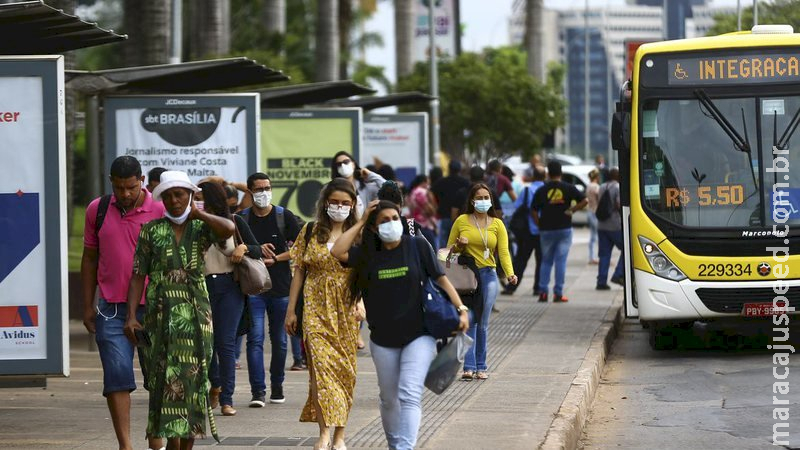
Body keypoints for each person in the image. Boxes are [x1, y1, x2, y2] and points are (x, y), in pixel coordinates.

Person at [331, 200, 470, 450]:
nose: (391, 224)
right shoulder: (367, 254)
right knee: (388, 399)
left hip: (419, 334)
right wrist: (361, 221)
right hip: (383, 339)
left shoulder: (416, 245)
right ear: (374, 228)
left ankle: (404, 448)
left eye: (395, 218)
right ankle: (396, 445)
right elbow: (337, 251)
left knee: (409, 393)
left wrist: (461, 309)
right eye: (384, 220)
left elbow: (441, 278)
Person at [124, 170, 235, 449]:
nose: (174, 201)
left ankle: (186, 445)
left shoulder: (201, 228)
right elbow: (138, 275)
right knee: (164, 380)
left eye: (180, 194)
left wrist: (200, 214)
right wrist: (130, 317)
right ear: (162, 199)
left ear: (190, 196)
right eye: (169, 196)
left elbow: (228, 229)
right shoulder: (151, 230)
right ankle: (169, 444)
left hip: (195, 312)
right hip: (159, 313)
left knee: (192, 380)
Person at [81, 156, 165, 450]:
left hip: (155, 307)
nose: (125, 194)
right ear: (111, 183)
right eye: (119, 188)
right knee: (116, 377)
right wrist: (87, 305)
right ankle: (125, 445)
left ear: (142, 181)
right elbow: (90, 257)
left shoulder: (161, 208)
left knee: (159, 376)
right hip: (111, 308)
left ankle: (156, 436)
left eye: (131, 187)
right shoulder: (98, 209)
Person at [285, 178, 361, 450]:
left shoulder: (359, 234)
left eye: (345, 203)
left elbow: (366, 273)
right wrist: (291, 310)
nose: (339, 207)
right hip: (315, 306)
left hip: (346, 310)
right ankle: (324, 432)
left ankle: (340, 434)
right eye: (335, 202)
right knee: (320, 370)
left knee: (343, 372)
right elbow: (299, 271)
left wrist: (361, 302)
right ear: (325, 202)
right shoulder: (309, 231)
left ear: (352, 206)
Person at [238, 172, 303, 407]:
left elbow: (300, 248)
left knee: (280, 340)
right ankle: (258, 391)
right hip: (253, 288)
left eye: (267, 188)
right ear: (250, 192)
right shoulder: (241, 218)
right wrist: (254, 249)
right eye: (258, 189)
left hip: (281, 288)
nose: (264, 193)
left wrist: (278, 258)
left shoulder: (283, 215)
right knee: (255, 339)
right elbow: (235, 248)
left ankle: (277, 386)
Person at [199, 181, 261, 417]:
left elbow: (256, 249)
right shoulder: (194, 224)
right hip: (201, 286)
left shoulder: (234, 222)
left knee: (225, 343)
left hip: (229, 286)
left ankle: (227, 398)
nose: (197, 204)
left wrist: (242, 248)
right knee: (206, 343)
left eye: (201, 199)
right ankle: (215, 384)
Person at [448, 183, 517, 380]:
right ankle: (468, 367)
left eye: (487, 198)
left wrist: (510, 274)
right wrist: (459, 246)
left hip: (488, 275)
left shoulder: (497, 224)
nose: (483, 201)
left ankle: (481, 366)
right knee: (470, 320)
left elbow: (503, 252)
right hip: (468, 277)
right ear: (472, 200)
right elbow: (447, 252)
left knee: (482, 321)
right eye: (479, 198)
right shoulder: (462, 221)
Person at [532, 161, 588, 303]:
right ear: (561, 172)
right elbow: (585, 200)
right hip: (564, 229)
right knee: (560, 261)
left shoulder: (542, 190)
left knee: (546, 261)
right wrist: (571, 210)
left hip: (546, 230)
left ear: (548, 174)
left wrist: (539, 223)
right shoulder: (569, 188)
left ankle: (543, 293)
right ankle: (558, 293)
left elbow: (533, 209)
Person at [502, 164, 546, 296]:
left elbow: (517, 206)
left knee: (521, 260)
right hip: (543, 231)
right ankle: (538, 288)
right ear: (544, 177)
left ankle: (511, 287)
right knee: (541, 261)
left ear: (533, 177)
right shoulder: (547, 190)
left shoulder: (527, 190)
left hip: (527, 232)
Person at [331, 150, 385, 217]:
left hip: (364, 225)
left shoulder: (366, 188)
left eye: (346, 162)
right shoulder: (331, 188)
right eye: (339, 164)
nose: (343, 165)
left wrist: (371, 175)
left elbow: (390, 189)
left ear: (353, 164)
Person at [596, 167, 625, 289]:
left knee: (604, 254)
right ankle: (618, 274)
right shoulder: (618, 187)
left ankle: (601, 282)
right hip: (614, 225)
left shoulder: (602, 186)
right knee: (627, 249)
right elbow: (618, 204)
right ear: (618, 176)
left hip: (602, 225)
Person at [430, 160, 469, 249]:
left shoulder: (441, 182)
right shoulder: (465, 182)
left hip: (444, 216)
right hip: (461, 217)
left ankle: (444, 262)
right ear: (460, 169)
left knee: (444, 245)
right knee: (459, 244)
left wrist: (435, 207)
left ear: (449, 169)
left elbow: (430, 192)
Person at [406, 174, 438, 247]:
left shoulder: (412, 192)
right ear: (423, 182)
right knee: (431, 252)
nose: (428, 185)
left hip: (415, 225)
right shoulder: (421, 192)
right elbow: (430, 211)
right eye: (428, 183)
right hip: (425, 226)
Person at [586, 169, 601, 265]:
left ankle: (592, 256)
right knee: (597, 236)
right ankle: (596, 257)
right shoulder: (596, 187)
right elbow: (599, 198)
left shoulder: (588, 186)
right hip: (596, 212)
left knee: (592, 236)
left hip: (589, 211)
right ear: (597, 177)